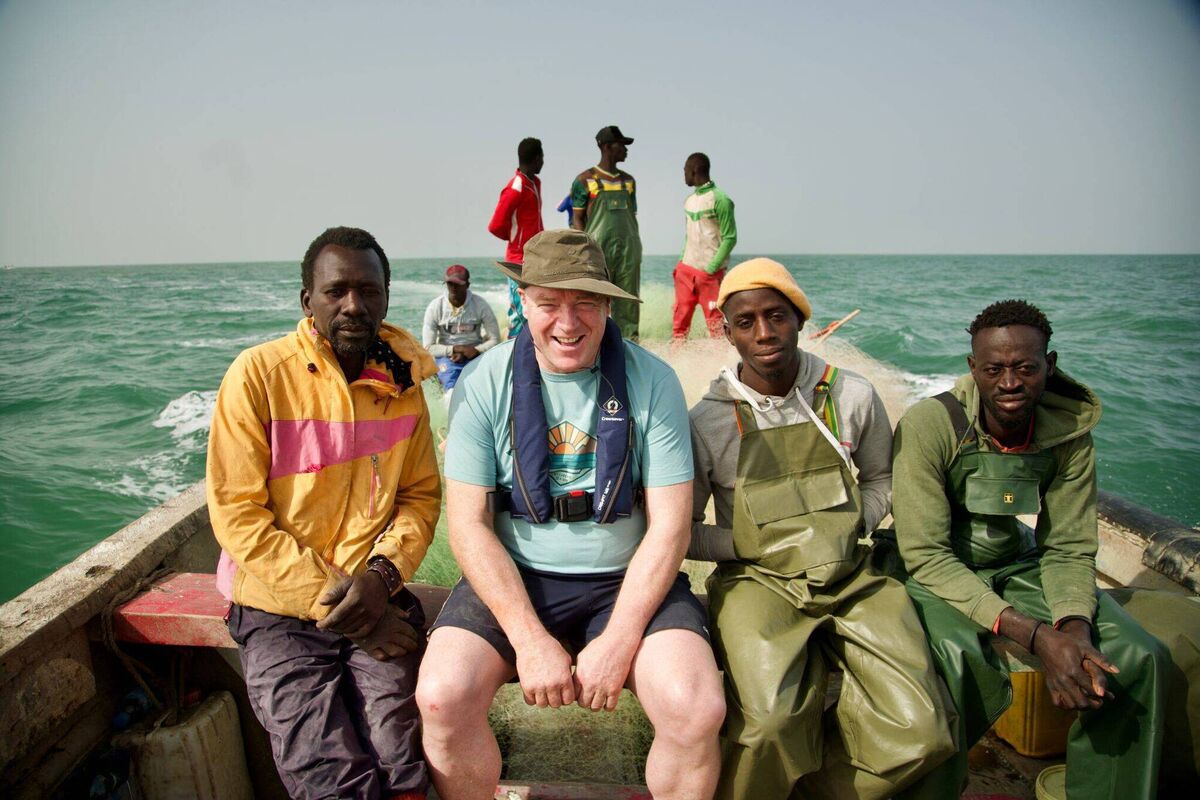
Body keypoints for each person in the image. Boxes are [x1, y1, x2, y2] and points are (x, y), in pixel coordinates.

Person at [416, 229, 725, 800]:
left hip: (626, 582)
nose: (567, 322)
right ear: (522, 302)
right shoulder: (482, 383)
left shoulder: (653, 381)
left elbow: (670, 526)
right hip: (515, 577)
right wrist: (529, 640)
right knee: (441, 697)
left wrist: (620, 640)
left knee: (696, 707)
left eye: (585, 302)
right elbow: (468, 525)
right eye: (548, 302)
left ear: (607, 305)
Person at [688, 258, 954, 800]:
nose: (764, 333)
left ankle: (821, 790)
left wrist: (854, 522)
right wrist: (746, 545)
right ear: (728, 334)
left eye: (777, 316)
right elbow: (683, 531)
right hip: (757, 582)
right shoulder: (707, 421)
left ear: (800, 320)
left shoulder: (851, 395)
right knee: (770, 724)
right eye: (746, 322)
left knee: (924, 731)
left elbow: (882, 479)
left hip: (852, 577)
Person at [892, 299, 1177, 799]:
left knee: (1136, 655)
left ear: (1050, 364)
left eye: (1025, 368)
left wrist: (1073, 629)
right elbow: (926, 555)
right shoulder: (931, 425)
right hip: (939, 572)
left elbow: (1067, 545)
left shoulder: (1068, 433)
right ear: (973, 368)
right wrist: (1037, 635)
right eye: (994, 370)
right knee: (953, 662)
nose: (1009, 383)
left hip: (1015, 561)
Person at [206, 227, 441, 799]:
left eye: (369, 290)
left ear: (386, 297)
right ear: (307, 299)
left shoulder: (403, 384)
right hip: (276, 606)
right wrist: (344, 604)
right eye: (337, 291)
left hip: (374, 592)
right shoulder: (258, 375)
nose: (354, 305)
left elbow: (419, 497)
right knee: (324, 766)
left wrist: (381, 579)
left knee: (402, 751)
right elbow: (238, 515)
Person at [571, 125, 642, 340]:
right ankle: (595, 344)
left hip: (628, 249)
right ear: (607, 147)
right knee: (595, 299)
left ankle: (629, 346)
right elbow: (577, 220)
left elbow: (631, 215)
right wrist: (584, 251)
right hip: (597, 250)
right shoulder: (584, 180)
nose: (626, 150)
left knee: (629, 301)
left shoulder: (629, 181)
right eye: (622, 145)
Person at [673, 153, 736, 342]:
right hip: (686, 271)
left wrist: (711, 268)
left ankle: (721, 360)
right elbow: (689, 236)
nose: (684, 175)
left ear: (694, 170)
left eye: (685, 170)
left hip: (709, 274)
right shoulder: (689, 201)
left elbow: (730, 238)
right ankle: (675, 358)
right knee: (679, 324)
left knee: (716, 326)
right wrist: (681, 263)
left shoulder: (721, 199)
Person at [488, 136, 544, 336]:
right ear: (536, 158)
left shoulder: (534, 183)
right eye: (542, 158)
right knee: (518, 313)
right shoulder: (515, 188)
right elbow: (495, 225)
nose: (543, 162)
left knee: (532, 309)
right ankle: (513, 350)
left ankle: (530, 349)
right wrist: (516, 239)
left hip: (534, 257)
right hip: (518, 259)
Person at [421, 264, 500, 399]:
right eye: (450, 283)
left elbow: (495, 340)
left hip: (475, 354)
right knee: (450, 394)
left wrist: (477, 350)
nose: (453, 287)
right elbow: (428, 348)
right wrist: (454, 349)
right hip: (447, 357)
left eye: (458, 284)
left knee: (483, 393)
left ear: (467, 285)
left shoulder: (480, 305)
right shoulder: (435, 307)